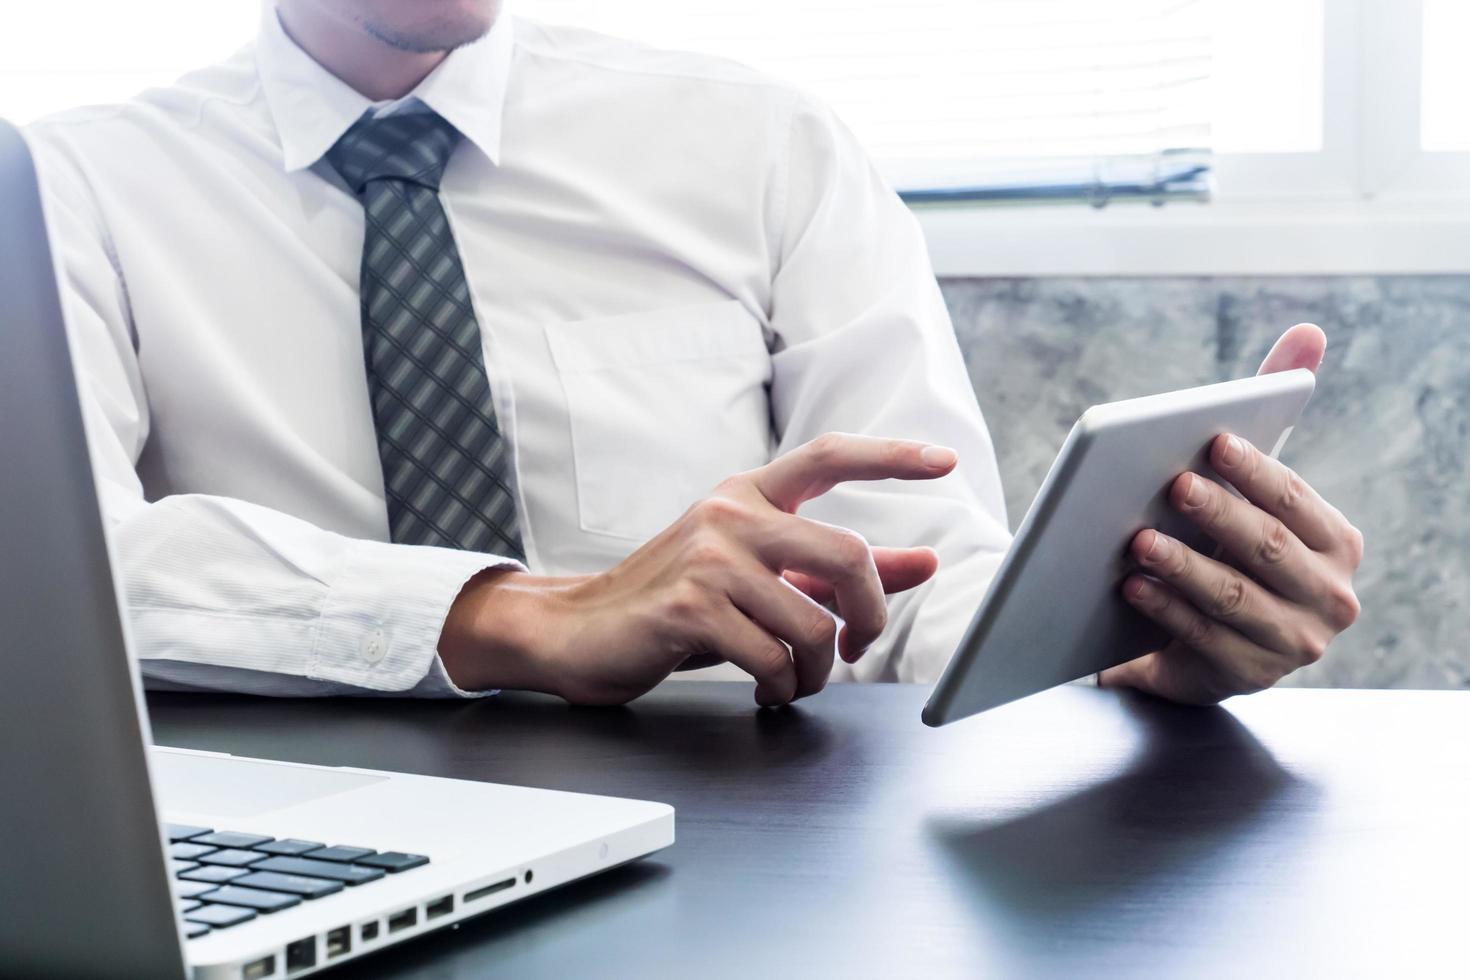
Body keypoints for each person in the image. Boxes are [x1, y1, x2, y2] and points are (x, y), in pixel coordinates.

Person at [26, 0, 1362, 707]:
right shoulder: (72, 183)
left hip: (740, 842)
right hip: (293, 842)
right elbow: (58, 582)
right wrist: (520, 616)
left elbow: (911, 583)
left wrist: (1117, 651)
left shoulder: (760, 143)